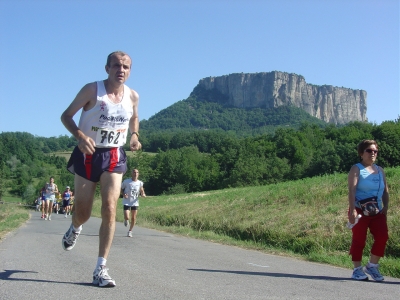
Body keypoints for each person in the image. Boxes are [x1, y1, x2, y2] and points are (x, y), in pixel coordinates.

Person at [60, 51, 141, 287]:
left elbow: (134, 118)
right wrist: (80, 136)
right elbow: (66, 116)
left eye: (126, 66)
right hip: (88, 154)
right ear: (107, 68)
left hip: (114, 155)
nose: (121, 70)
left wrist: (134, 136)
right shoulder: (92, 90)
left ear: (130, 70)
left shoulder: (133, 96)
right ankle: (75, 227)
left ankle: (101, 268)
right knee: (83, 212)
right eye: (116, 65)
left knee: (109, 207)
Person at [347, 139, 389, 281]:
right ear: (361, 153)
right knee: (359, 240)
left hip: (377, 211)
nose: (373, 154)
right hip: (359, 210)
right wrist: (352, 210)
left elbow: (385, 191)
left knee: (382, 237)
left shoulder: (380, 170)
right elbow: (352, 190)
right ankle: (357, 269)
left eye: (375, 151)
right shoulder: (357, 168)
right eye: (369, 151)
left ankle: (372, 266)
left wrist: (386, 207)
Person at [121, 168, 146, 237]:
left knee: (134, 218)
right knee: (127, 217)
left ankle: (130, 231)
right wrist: (123, 194)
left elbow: (141, 190)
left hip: (135, 202)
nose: (135, 174)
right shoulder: (126, 181)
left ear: (138, 174)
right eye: (134, 172)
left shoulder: (140, 183)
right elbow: (121, 188)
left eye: (137, 172)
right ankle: (126, 220)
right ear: (131, 174)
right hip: (127, 201)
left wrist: (143, 194)